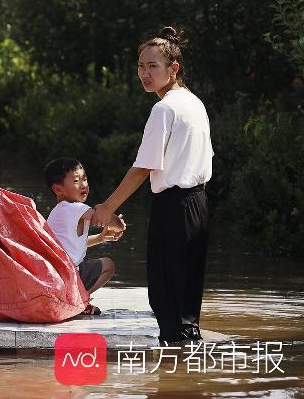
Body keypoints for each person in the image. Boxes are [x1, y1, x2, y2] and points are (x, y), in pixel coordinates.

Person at [92, 27, 213, 346]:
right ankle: (187, 375)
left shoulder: (164, 109)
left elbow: (143, 168)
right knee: (187, 299)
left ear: (174, 69)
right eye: (141, 66)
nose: (144, 73)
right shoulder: (194, 103)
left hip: (174, 207)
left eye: (153, 66)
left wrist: (107, 207)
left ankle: (172, 376)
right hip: (199, 205)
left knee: (166, 296)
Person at [43, 157, 126, 312]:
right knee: (108, 265)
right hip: (66, 277)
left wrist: (101, 238)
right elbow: (109, 219)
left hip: (58, 278)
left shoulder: (60, 210)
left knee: (96, 264)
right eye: (76, 181)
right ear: (58, 189)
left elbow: (72, 245)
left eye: (85, 179)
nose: (84, 185)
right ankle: (80, 302)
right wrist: (118, 223)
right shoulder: (75, 208)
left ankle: (74, 300)